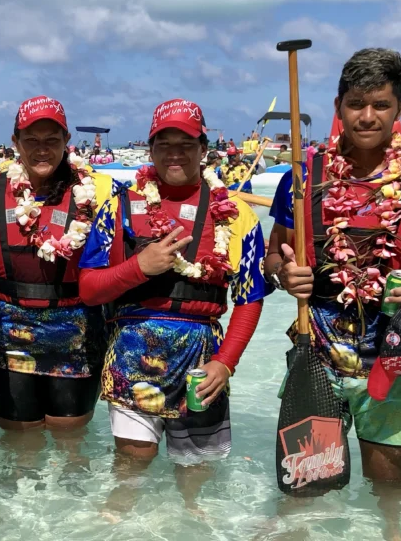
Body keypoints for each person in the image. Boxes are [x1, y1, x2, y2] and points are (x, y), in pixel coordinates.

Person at [265, 48, 401, 540]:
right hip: (316, 357)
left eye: (380, 104)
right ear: (338, 107)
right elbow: (274, 255)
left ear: (399, 109)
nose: (367, 116)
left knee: (390, 494)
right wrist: (283, 274)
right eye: (357, 103)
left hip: (393, 360)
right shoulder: (302, 178)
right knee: (304, 492)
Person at [78, 98, 266, 515]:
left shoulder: (239, 216)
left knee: (194, 468)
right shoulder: (119, 208)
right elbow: (89, 289)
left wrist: (226, 363)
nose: (176, 153)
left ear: (204, 148)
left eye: (187, 143)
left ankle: (189, 515)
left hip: (203, 356)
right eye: (165, 144)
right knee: (132, 460)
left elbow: (250, 299)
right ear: (150, 150)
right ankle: (122, 507)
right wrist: (138, 267)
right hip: (132, 348)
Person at [0, 96, 114, 488]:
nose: (41, 148)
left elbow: (123, 253)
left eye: (51, 139)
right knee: (21, 443)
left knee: (72, 441)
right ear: (15, 141)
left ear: (67, 139)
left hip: (78, 331)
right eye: (30, 139)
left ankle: (68, 518)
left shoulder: (103, 190)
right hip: (6, 331)